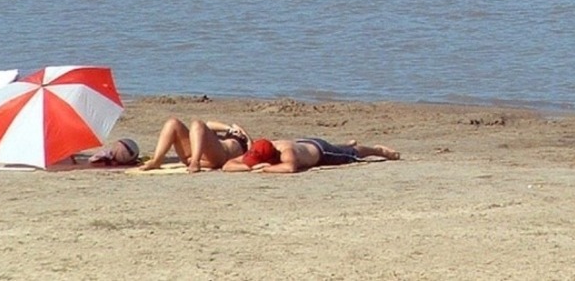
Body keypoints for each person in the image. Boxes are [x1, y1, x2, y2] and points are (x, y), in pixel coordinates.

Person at [223, 137, 400, 173]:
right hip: (303, 143)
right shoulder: (259, 149)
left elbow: (290, 168)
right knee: (342, 148)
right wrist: (250, 166)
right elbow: (228, 165)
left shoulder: (286, 152)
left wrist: (264, 170)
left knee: (351, 155)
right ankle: (346, 143)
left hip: (319, 151)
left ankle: (376, 150)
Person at [138, 117, 252, 173]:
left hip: (219, 157)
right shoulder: (216, 138)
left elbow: (252, 149)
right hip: (197, 153)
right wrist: (229, 128)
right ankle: (157, 160)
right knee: (173, 123)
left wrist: (243, 133)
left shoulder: (245, 142)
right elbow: (209, 124)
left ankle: (195, 162)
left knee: (197, 124)